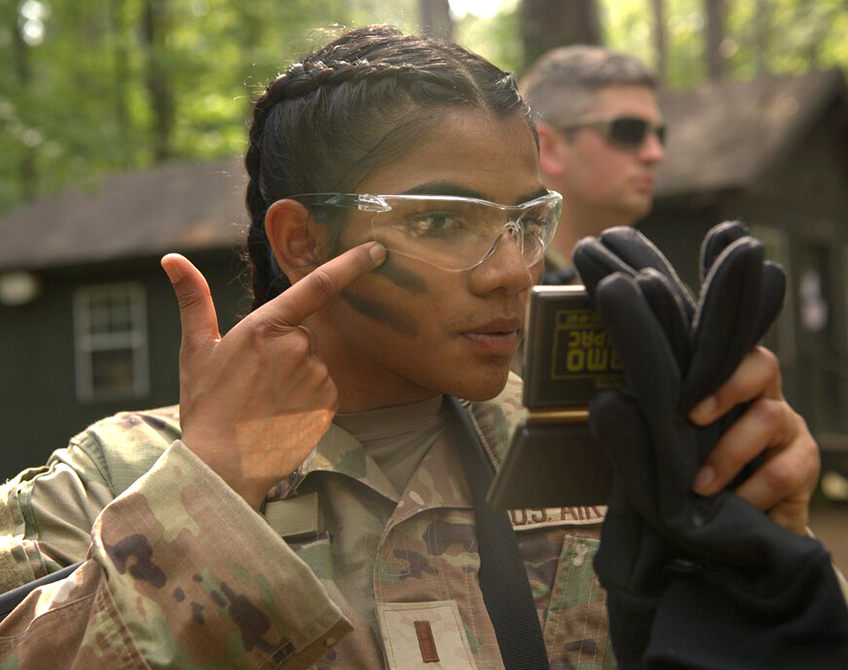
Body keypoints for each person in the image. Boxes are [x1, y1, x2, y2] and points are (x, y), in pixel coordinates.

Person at [0, 25, 836, 669]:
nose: (512, 270)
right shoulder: (107, 487)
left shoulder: (595, 440)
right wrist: (209, 498)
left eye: (525, 223)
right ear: (302, 240)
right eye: (442, 220)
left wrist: (765, 539)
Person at [520, 45, 664, 283]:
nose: (655, 153)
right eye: (629, 130)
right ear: (549, 149)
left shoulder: (652, 285)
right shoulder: (507, 290)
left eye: (659, 134)